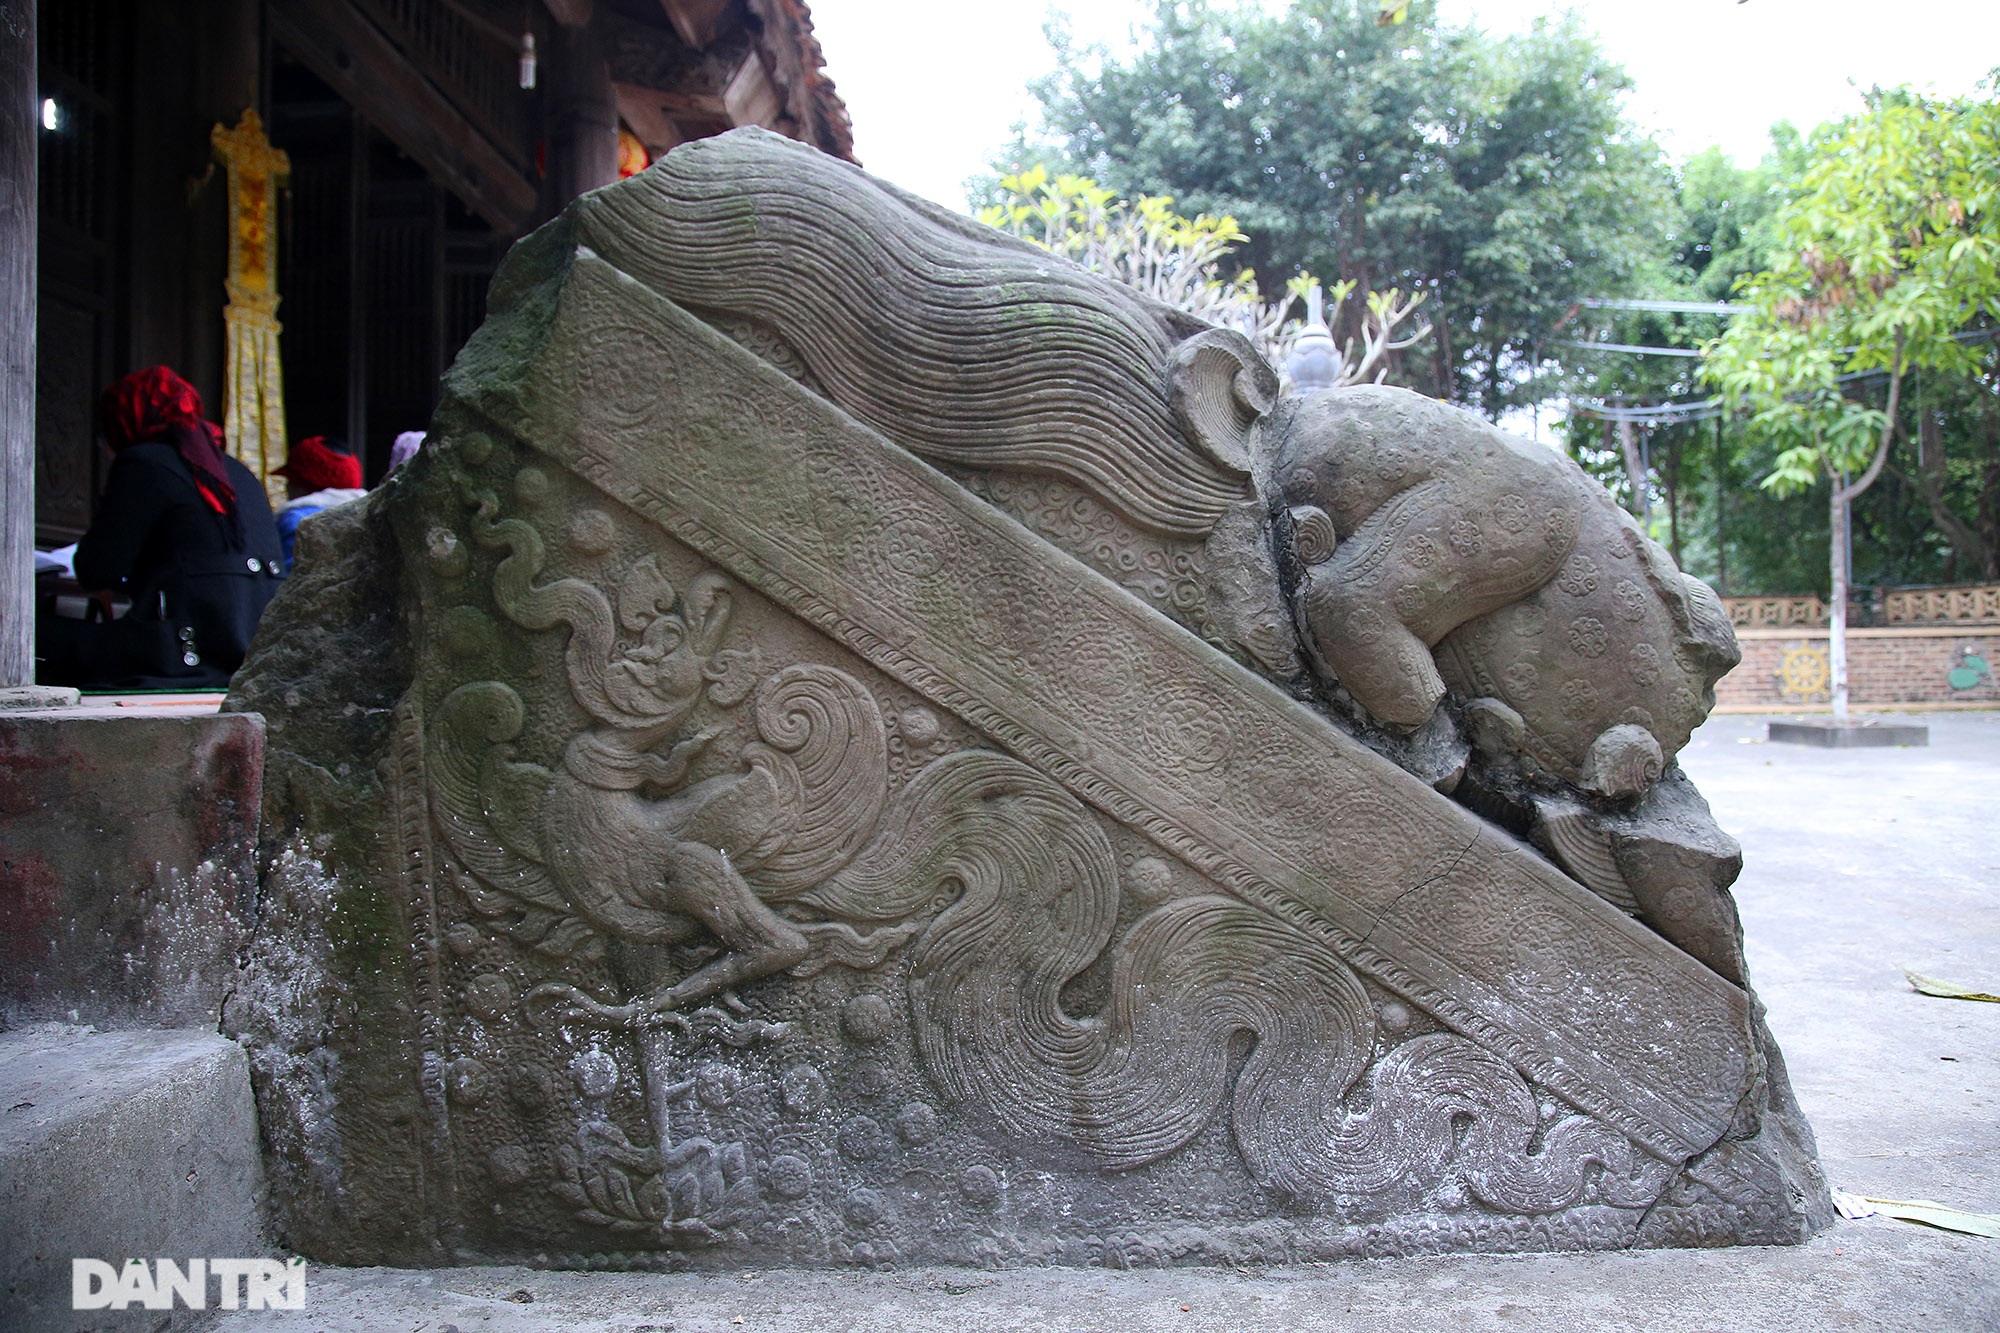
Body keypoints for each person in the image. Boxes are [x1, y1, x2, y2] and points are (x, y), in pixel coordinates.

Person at [52, 366, 285, 688]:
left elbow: (96, 570)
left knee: (35, 638)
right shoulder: (237, 471)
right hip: (251, 652)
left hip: (180, 651)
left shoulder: (144, 462)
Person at [273, 435, 365, 570]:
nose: (287, 487)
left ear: (302, 484)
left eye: (290, 480)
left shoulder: (296, 522)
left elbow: (285, 581)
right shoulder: (370, 516)